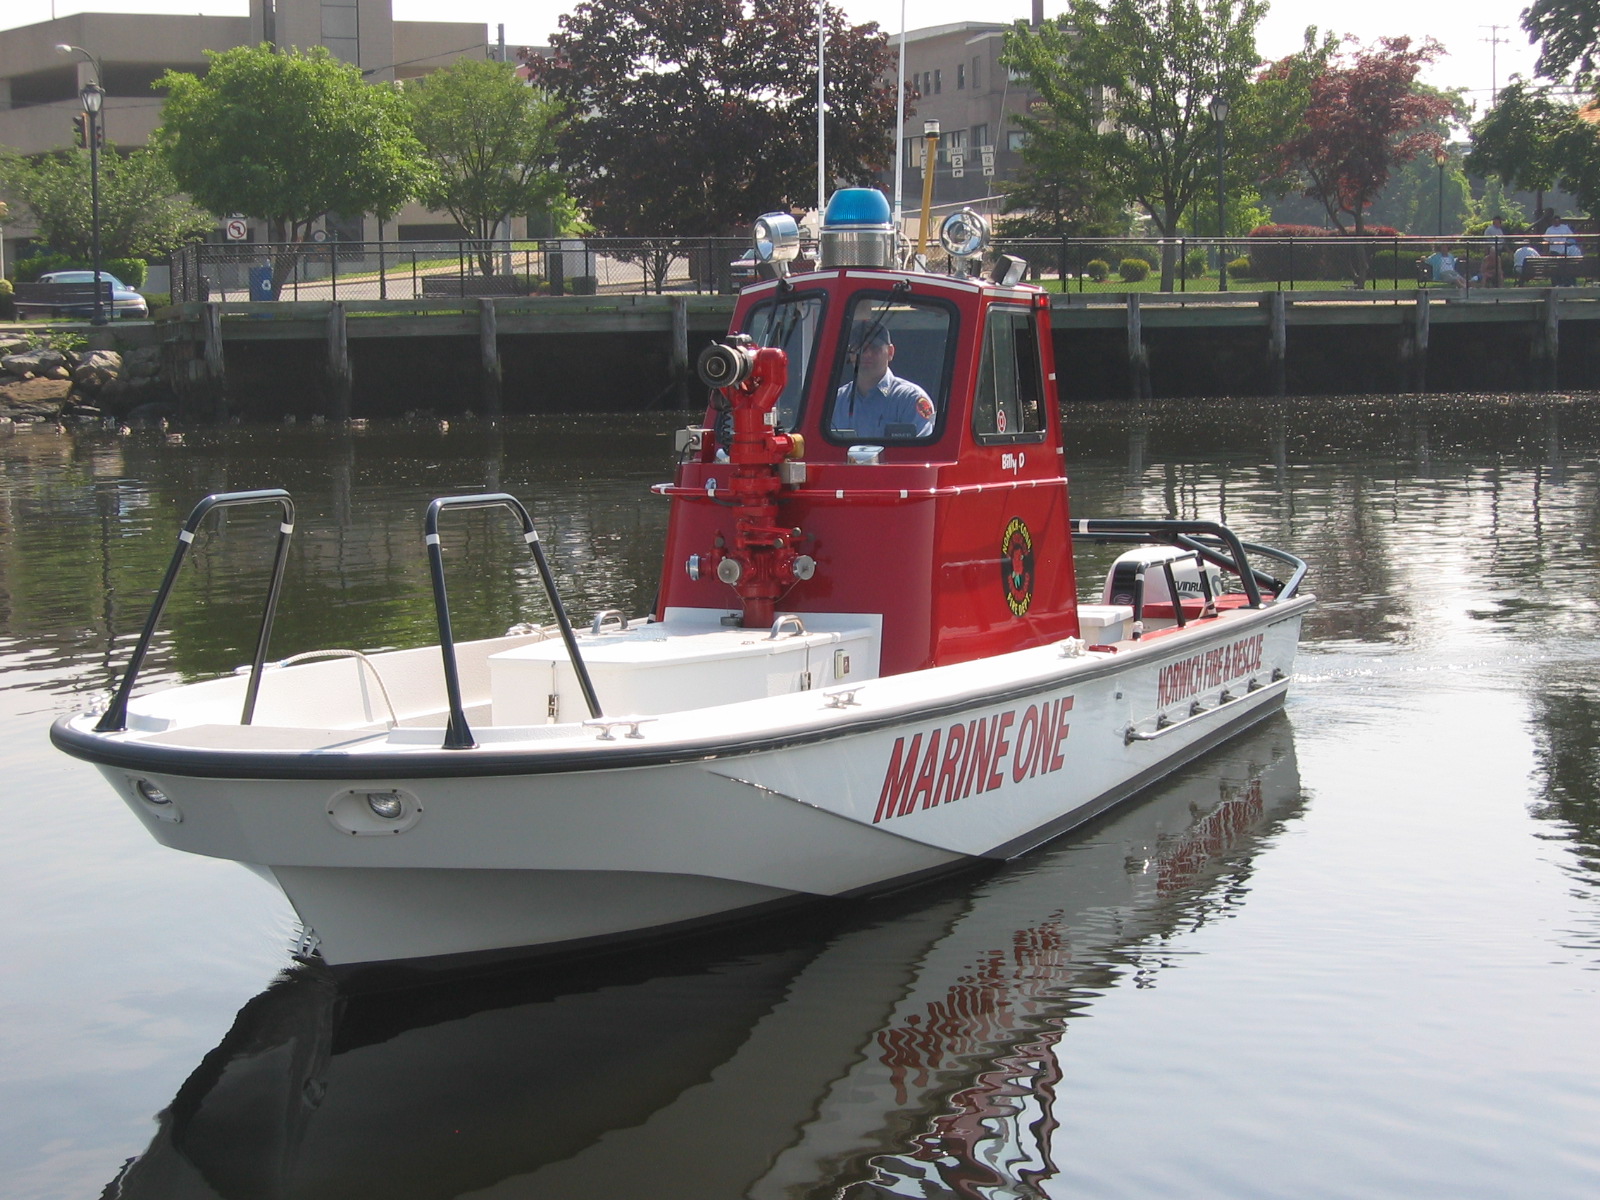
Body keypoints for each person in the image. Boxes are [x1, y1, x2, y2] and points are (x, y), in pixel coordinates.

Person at [832, 324, 935, 438]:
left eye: (874, 348)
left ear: (890, 352)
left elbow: (922, 447)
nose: (866, 354)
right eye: (859, 348)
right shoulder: (835, 401)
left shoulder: (910, 399)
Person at [1544, 215, 1582, 284]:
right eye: (1555, 221)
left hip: (1564, 251)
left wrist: (1569, 242)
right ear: (1552, 221)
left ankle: (1565, 282)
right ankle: (1557, 282)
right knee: (1555, 268)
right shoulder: (1549, 230)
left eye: (1558, 221)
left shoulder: (1565, 227)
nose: (1556, 222)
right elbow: (1546, 241)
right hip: (1554, 251)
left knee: (1565, 267)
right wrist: (1546, 252)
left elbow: (1572, 236)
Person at [1482, 216, 1506, 287]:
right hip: (1491, 249)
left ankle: (1499, 285)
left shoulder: (1500, 230)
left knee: (1498, 267)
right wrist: (1487, 251)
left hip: (1498, 250)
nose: (1500, 222)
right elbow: (1485, 240)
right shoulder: (1489, 229)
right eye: (1499, 221)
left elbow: (1502, 240)